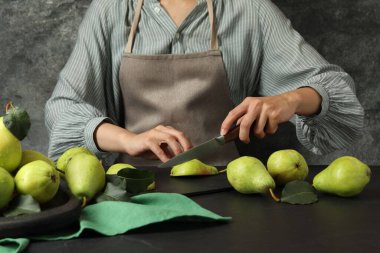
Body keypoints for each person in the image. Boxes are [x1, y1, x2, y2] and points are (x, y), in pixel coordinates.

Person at [45, 0, 364, 166]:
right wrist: (128, 140)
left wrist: (290, 100)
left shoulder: (250, 10)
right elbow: (63, 106)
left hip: (227, 187)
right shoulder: (111, 10)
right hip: (131, 190)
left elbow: (333, 86)